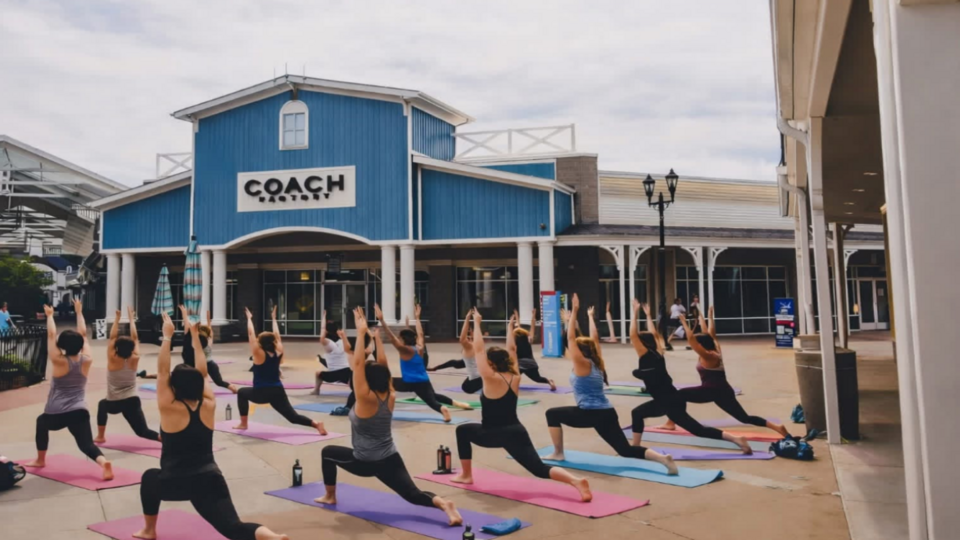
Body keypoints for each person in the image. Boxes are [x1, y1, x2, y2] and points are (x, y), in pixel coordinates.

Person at [133, 307, 289, 540]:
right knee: (234, 528)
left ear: (175, 387)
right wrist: (196, 338)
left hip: (175, 480)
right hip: (210, 478)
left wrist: (167, 336)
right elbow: (202, 372)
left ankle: (149, 530)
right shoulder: (209, 403)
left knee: (149, 477)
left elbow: (162, 372)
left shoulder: (170, 407)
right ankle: (271, 536)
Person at [315, 307, 463, 526]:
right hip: (391, 457)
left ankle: (330, 495)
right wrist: (376, 340)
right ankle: (444, 505)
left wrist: (361, 332)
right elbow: (382, 366)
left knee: (327, 452)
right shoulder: (390, 393)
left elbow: (356, 365)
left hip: (364, 460)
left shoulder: (364, 397)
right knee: (413, 494)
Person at [452, 309, 592, 500]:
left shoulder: (489, 378)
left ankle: (466, 475)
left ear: (490, 364)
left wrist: (476, 323)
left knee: (462, 431)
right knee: (539, 469)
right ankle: (576, 481)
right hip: (517, 431)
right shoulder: (515, 376)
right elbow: (512, 350)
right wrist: (510, 328)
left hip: (492, 433)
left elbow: (478, 350)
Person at [542, 294, 678, 473]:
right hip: (607, 413)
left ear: (579, 352)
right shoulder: (597, 362)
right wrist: (589, 318)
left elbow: (571, 339)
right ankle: (662, 458)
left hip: (590, 413)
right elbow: (594, 339)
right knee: (625, 450)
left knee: (552, 414)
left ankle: (558, 452)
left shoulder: (582, 364)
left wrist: (574, 313)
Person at [628, 300, 753, 454]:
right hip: (672, 397)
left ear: (642, 344)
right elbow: (654, 334)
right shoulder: (658, 352)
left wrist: (634, 313)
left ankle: (635, 448)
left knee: (637, 413)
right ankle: (736, 439)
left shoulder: (645, 354)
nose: (634, 344)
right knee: (698, 430)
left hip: (666, 400)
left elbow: (633, 335)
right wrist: (647, 315)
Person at [655, 307, 792, 438]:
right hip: (724, 391)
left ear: (701, 345)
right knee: (744, 418)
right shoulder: (715, 350)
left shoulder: (708, 356)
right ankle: (777, 428)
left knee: (678, 395)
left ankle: (671, 423)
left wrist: (684, 322)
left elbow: (691, 340)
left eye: (698, 343)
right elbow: (710, 334)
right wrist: (706, 316)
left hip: (711, 391)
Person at [27, 300, 113, 480]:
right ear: (80, 345)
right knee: (86, 444)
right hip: (79, 410)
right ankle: (103, 462)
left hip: (55, 412)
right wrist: (79, 312)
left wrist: (50, 316)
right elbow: (83, 334)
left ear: (63, 346)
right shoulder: (87, 359)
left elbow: (51, 334)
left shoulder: (59, 360)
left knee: (41, 423)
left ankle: (40, 459)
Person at [232, 306, 327, 435]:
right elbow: (277, 336)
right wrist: (274, 319)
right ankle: (316, 424)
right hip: (277, 390)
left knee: (242, 392)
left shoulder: (258, 353)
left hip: (261, 392)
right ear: (273, 342)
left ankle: (243, 423)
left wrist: (249, 319)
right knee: (292, 417)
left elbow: (250, 334)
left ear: (260, 343)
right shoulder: (279, 351)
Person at [377, 304, 470, 422]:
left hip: (410, 382)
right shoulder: (419, 348)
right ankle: (455, 402)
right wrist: (417, 318)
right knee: (433, 396)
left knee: (386, 382)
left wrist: (382, 321)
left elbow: (391, 338)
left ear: (403, 339)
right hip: (424, 380)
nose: (398, 339)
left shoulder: (404, 350)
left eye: (400, 338)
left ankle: (443, 409)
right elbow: (420, 334)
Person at [95, 306, 161, 444]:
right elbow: (135, 337)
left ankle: (100, 436)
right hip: (132, 400)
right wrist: (131, 319)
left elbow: (112, 337)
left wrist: (117, 319)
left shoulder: (112, 357)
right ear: (132, 348)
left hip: (114, 402)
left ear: (117, 348)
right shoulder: (135, 357)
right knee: (143, 431)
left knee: (102, 404)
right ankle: (165, 440)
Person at [427, 313, 483, 395]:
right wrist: (477, 323)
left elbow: (462, 339)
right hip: (481, 376)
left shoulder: (470, 346)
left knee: (465, 387)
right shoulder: (479, 344)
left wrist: (467, 318)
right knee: (454, 363)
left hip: (476, 379)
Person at [183, 311, 237, 394]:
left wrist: (185, 313)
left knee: (195, 379)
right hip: (211, 364)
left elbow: (189, 328)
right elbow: (210, 329)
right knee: (219, 382)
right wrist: (208, 319)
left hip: (203, 365)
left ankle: (232, 388)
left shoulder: (198, 345)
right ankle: (232, 387)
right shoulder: (208, 341)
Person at [311, 312, 354, 396]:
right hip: (347, 372)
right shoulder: (342, 341)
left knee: (318, 373)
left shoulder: (328, 343)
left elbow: (322, 333)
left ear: (327, 331)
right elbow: (348, 347)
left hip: (333, 374)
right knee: (350, 379)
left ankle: (316, 390)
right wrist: (343, 335)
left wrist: (323, 319)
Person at [513, 309, 556, 391]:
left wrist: (516, 316)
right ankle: (549, 381)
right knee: (538, 379)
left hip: (520, 364)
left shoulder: (515, 341)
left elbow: (518, 327)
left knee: (512, 375)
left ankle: (511, 385)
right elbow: (532, 327)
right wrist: (533, 316)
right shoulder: (528, 339)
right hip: (531, 364)